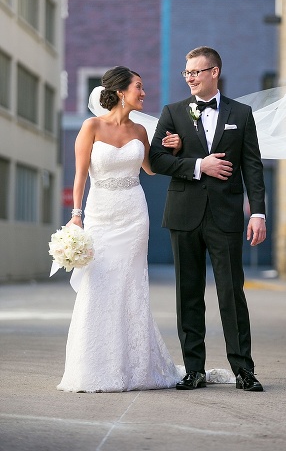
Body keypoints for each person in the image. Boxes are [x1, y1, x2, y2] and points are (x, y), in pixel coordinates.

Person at [58, 67, 184, 392]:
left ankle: (135, 368)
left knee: (130, 286)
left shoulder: (141, 131)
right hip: (100, 213)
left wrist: (172, 148)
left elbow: (151, 170)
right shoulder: (91, 126)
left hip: (133, 214)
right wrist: (76, 215)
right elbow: (80, 175)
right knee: (98, 284)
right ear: (120, 91)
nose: (144, 93)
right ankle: (92, 366)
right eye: (139, 87)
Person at [149, 46, 266, 392]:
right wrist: (200, 165)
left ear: (214, 72)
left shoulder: (241, 114)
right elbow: (155, 161)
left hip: (226, 216)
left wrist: (257, 211)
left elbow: (252, 167)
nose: (190, 78)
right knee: (188, 293)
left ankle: (243, 370)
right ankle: (194, 370)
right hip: (184, 214)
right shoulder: (172, 112)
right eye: (186, 73)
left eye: (196, 72)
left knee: (232, 292)